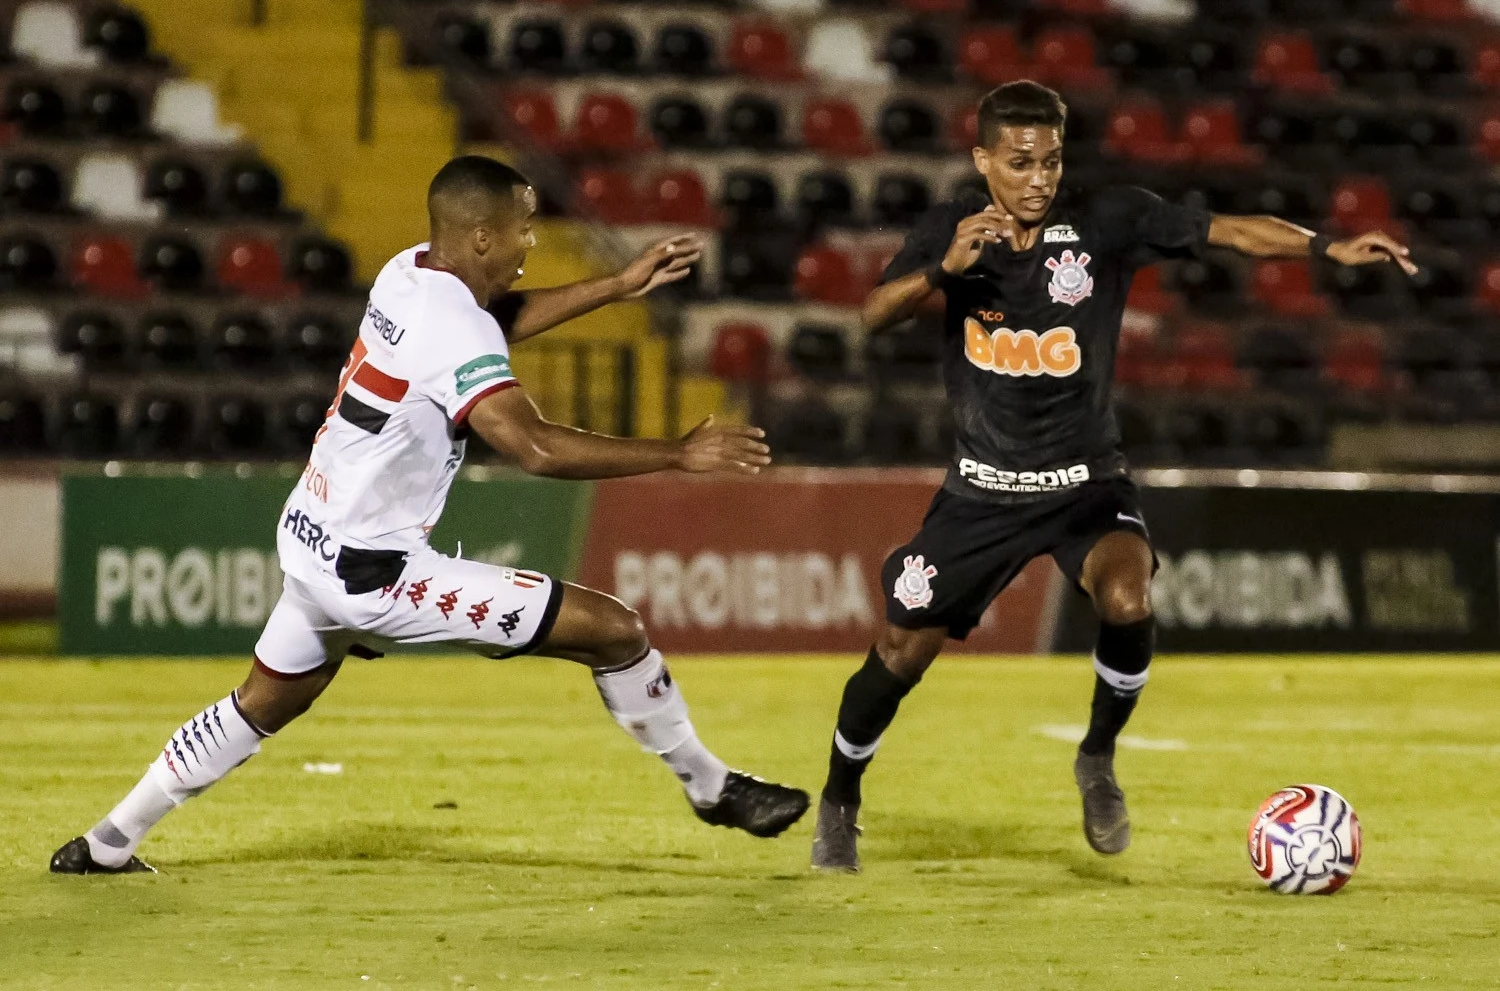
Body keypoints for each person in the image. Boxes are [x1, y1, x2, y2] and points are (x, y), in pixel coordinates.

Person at [51, 155, 809, 875]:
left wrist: (614, 285)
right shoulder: (456, 326)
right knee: (617, 632)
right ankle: (711, 788)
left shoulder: (408, 272)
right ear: (483, 236)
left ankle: (107, 841)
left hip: (312, 539)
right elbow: (535, 448)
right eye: (524, 227)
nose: (530, 243)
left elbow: (493, 320)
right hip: (375, 574)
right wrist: (677, 453)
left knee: (260, 705)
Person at [809, 81, 1417, 872]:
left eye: (1051, 160)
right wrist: (943, 270)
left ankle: (1097, 758)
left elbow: (1227, 228)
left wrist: (1325, 247)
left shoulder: (1105, 220)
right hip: (983, 492)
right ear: (983, 158)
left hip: (1085, 483)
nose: (1038, 177)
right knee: (899, 651)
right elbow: (873, 314)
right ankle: (840, 801)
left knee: (1129, 597)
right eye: (1020, 161)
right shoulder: (951, 228)